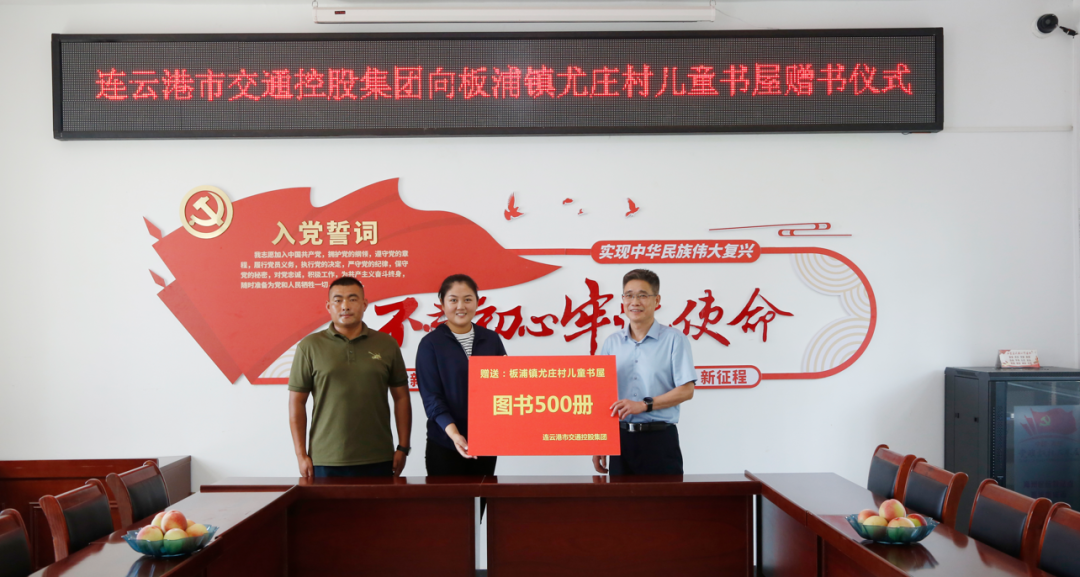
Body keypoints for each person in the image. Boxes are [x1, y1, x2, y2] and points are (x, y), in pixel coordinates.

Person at [288, 276, 412, 477]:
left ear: (364, 304)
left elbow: (402, 397)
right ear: (329, 306)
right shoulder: (309, 346)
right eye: (338, 300)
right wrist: (301, 455)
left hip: (378, 456)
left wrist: (403, 447)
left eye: (353, 299)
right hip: (325, 458)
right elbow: (296, 402)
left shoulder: (386, 344)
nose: (345, 306)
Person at [592, 269, 696, 476]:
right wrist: (600, 440)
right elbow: (602, 395)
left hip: (659, 440)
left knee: (663, 498)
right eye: (629, 295)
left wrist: (643, 405)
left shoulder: (674, 340)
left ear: (657, 300)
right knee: (619, 498)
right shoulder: (612, 343)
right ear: (622, 299)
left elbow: (686, 390)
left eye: (642, 295)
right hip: (620, 440)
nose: (635, 302)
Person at [416, 274, 506, 477]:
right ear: (442, 303)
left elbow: (503, 388)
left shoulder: (491, 340)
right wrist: (455, 435)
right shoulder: (431, 344)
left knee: (482, 496)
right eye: (453, 300)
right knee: (448, 499)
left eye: (467, 299)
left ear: (477, 302)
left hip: (485, 442)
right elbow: (432, 399)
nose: (461, 306)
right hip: (445, 443)